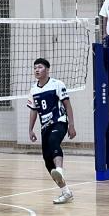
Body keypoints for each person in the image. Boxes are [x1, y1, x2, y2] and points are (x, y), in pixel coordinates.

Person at [28, 58, 76, 204]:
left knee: (53, 141)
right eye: (35, 68)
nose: (37, 70)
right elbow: (33, 111)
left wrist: (71, 125)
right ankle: (66, 192)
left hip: (59, 121)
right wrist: (30, 129)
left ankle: (60, 170)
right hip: (45, 126)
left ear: (47, 70)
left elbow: (67, 105)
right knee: (48, 161)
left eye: (40, 67)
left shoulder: (57, 84)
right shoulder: (33, 90)